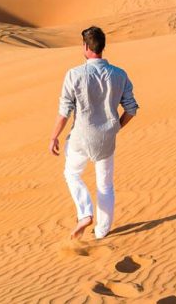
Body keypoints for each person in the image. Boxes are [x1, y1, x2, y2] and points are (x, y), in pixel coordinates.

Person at [49, 26, 139, 240]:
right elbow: (132, 109)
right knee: (105, 186)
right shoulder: (119, 74)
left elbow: (65, 111)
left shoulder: (74, 75)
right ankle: (101, 231)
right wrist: (116, 126)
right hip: (106, 140)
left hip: (80, 138)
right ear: (102, 47)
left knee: (71, 174)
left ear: (86, 47)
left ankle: (85, 213)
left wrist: (54, 136)